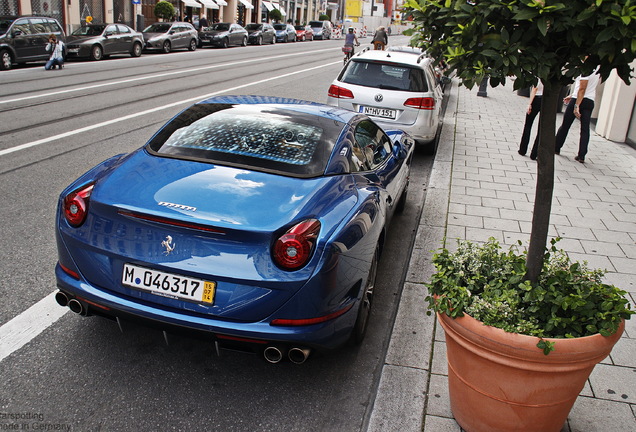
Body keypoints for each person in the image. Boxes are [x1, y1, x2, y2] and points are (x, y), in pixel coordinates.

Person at [555, 68, 600, 163]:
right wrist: (572, 95)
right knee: (585, 129)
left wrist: (576, 105)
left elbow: (582, 88)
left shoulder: (586, 69)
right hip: (589, 101)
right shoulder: (598, 67)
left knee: (565, 125)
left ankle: (556, 147)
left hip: (578, 100)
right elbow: (583, 88)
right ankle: (582, 155)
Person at [518, 82, 543, 160]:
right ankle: (534, 154)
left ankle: (522, 149)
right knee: (541, 128)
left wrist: (530, 104)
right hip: (546, 100)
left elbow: (535, 89)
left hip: (537, 98)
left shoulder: (539, 74)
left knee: (528, 125)